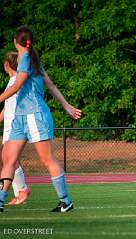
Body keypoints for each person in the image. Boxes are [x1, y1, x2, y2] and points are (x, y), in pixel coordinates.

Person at [0, 26, 80, 213]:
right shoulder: (28, 58)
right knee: (9, 159)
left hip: (35, 115)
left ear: (15, 41)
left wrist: (66, 105)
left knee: (47, 160)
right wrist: (66, 105)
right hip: (20, 118)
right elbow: (50, 85)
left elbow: (18, 85)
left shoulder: (27, 58)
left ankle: (65, 201)